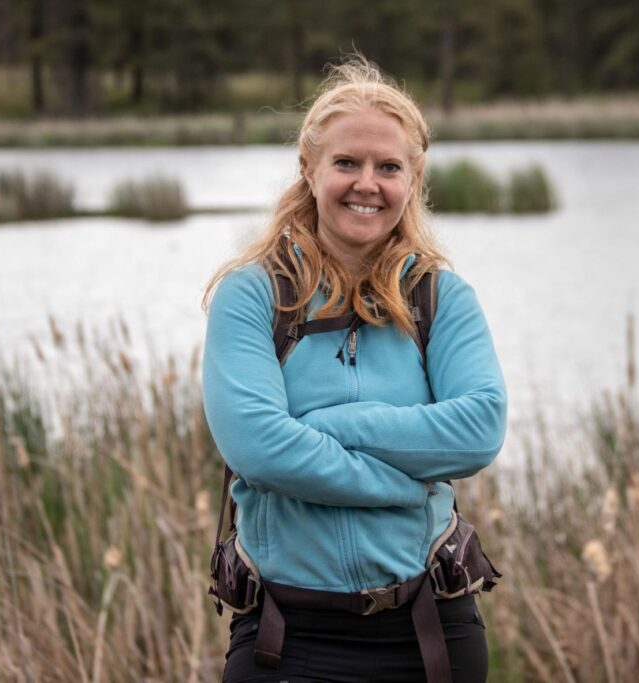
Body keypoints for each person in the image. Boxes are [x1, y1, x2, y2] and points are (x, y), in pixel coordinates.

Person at [201, 55, 507, 683]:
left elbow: (479, 429)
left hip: (432, 630)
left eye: (388, 167)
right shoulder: (251, 297)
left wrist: (333, 424)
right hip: (286, 638)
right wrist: (401, 485)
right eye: (347, 163)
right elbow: (258, 448)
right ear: (309, 169)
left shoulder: (440, 298)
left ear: (413, 179)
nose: (367, 183)